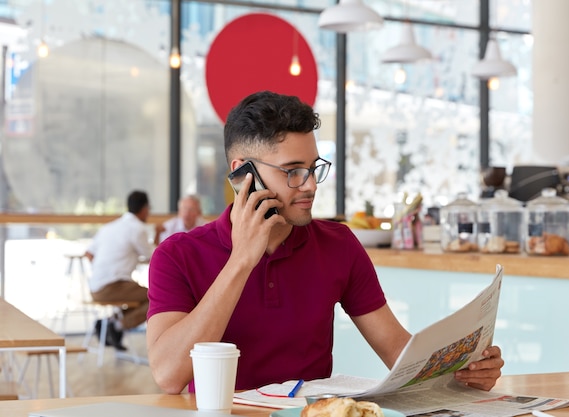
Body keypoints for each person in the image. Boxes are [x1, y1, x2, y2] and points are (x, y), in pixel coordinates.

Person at [146, 91, 504, 394]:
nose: (310, 185)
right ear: (242, 173)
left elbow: (398, 351)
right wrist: (241, 259)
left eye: (314, 168)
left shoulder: (339, 245)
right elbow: (168, 375)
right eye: (292, 171)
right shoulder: (177, 255)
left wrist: (461, 374)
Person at [85, 190, 155, 351]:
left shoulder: (109, 227)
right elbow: (155, 256)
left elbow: (89, 253)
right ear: (144, 209)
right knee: (155, 297)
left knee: (143, 296)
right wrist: (158, 234)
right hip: (112, 286)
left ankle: (110, 322)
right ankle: (116, 325)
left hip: (95, 286)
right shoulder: (137, 229)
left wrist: (102, 268)